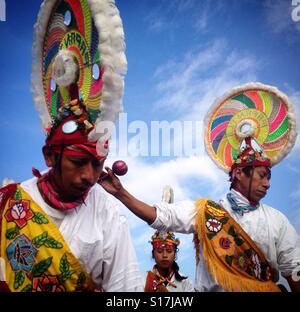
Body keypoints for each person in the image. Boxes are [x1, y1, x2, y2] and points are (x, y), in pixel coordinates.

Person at [99, 136, 300, 292]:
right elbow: (162, 216)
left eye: (269, 177)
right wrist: (121, 193)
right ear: (239, 173)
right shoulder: (206, 212)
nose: (268, 183)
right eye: (262, 176)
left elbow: (294, 268)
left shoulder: (277, 221)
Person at [0, 100, 143, 292]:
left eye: (97, 164)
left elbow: (126, 290)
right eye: (78, 162)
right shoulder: (10, 203)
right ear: (49, 156)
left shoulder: (107, 212)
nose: (89, 176)